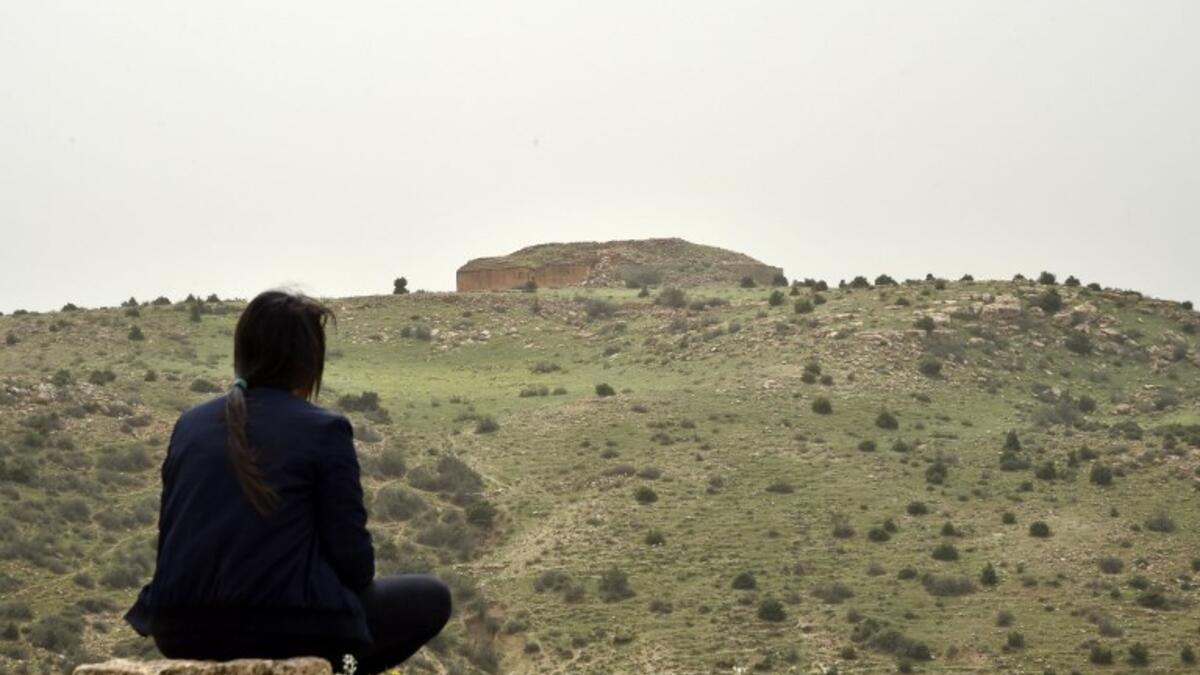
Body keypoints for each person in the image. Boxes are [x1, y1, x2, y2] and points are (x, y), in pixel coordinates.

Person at [123, 290, 451, 673]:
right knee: (432, 599)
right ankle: (342, 670)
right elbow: (355, 566)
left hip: (178, 630)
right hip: (282, 629)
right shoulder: (324, 429)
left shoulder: (189, 426)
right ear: (308, 362)